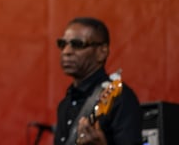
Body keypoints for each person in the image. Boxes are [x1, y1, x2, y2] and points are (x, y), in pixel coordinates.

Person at [54, 17, 142, 145]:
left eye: (77, 44)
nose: (66, 52)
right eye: (62, 44)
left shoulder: (119, 97)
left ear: (102, 52)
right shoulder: (65, 104)